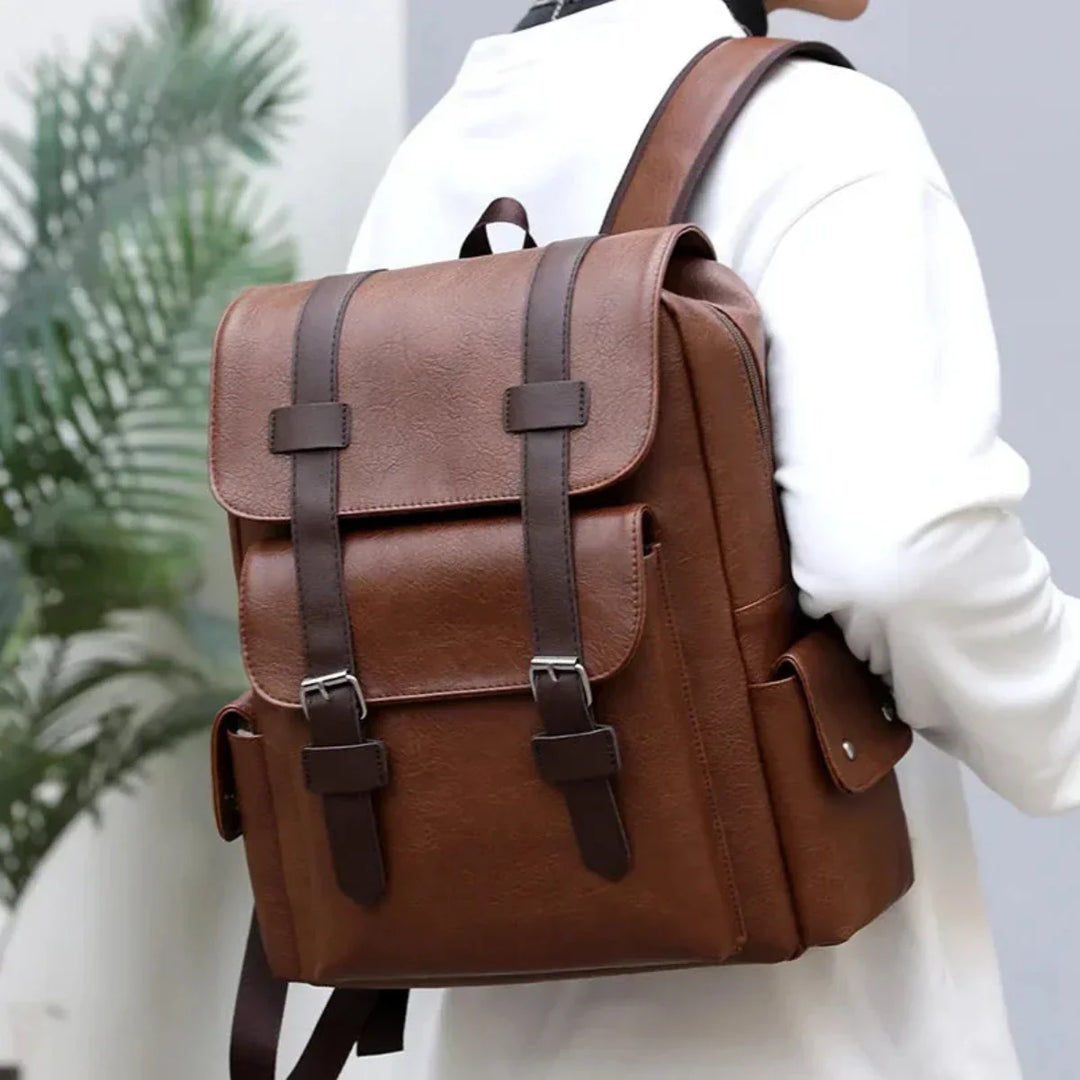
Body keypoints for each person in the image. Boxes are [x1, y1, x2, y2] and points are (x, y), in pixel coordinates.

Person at [348, 0, 1080, 1077]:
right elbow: (903, 548)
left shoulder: (435, 157)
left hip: (498, 1033)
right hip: (801, 1029)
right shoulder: (819, 129)